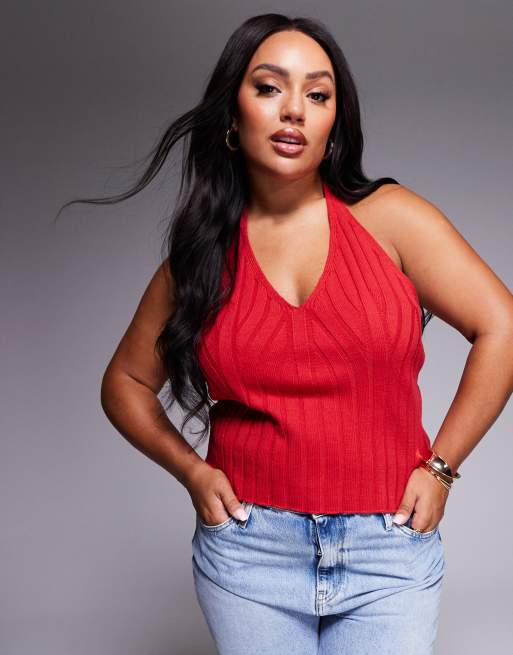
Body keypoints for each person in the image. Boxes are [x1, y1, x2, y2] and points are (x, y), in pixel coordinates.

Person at [60, 13, 513, 655]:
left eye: (318, 94)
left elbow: (503, 327)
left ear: (334, 125)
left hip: (387, 548)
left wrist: (441, 469)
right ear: (231, 114)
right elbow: (125, 383)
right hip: (250, 554)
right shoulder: (202, 258)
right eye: (270, 87)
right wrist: (192, 472)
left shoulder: (392, 220)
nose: (294, 109)